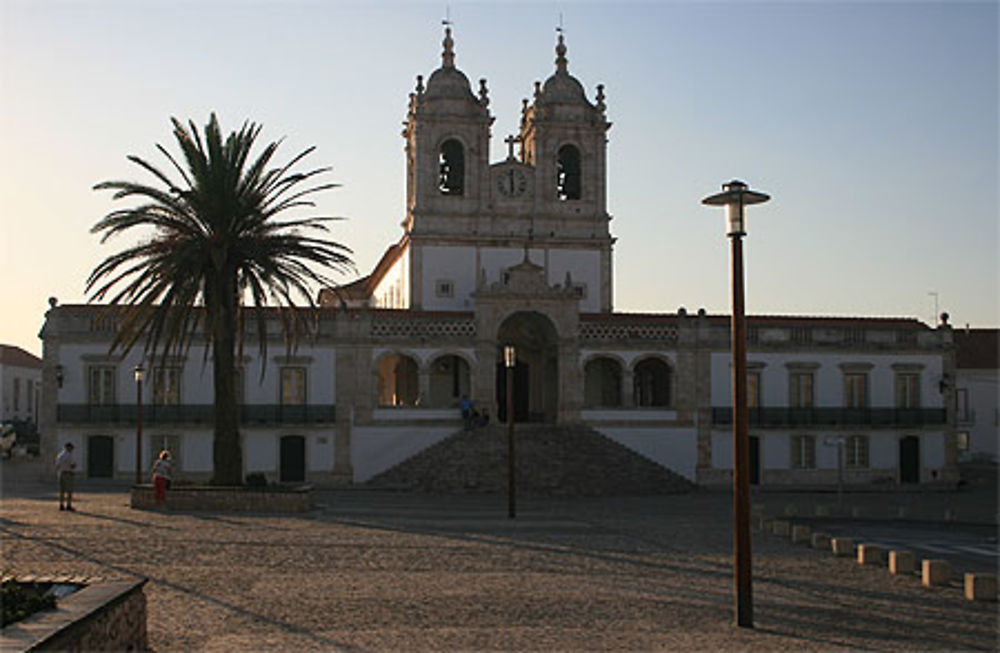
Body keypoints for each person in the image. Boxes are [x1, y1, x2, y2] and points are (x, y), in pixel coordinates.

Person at [54, 442, 77, 511]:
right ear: (68, 448)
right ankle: (68, 505)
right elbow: (72, 465)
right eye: (71, 448)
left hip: (61, 473)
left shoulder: (59, 455)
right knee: (69, 491)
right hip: (68, 473)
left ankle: (61, 505)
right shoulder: (70, 455)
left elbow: (57, 465)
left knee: (62, 491)